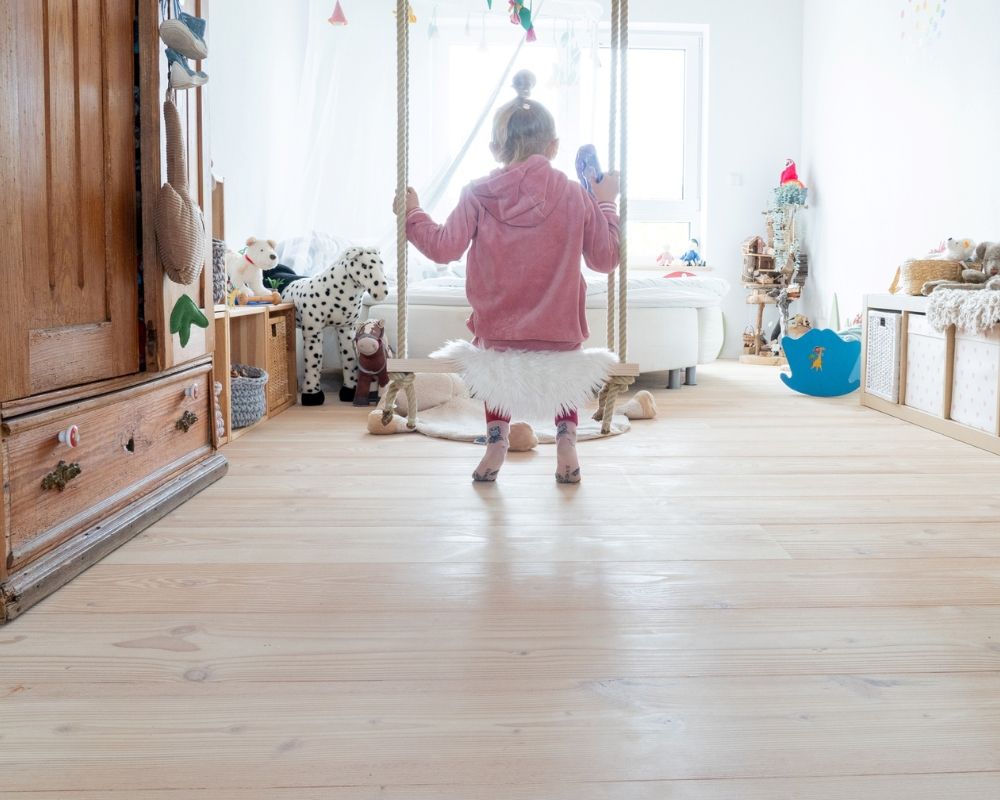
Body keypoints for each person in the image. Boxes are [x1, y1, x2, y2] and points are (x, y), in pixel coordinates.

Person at [398, 70, 621, 483]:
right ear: (554, 147)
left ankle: (496, 443)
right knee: (564, 371)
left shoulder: (477, 193)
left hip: (498, 333)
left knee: (494, 368)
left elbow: (444, 247)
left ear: (495, 148)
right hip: (560, 332)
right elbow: (605, 260)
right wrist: (605, 203)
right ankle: (567, 441)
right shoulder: (576, 194)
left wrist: (412, 214)